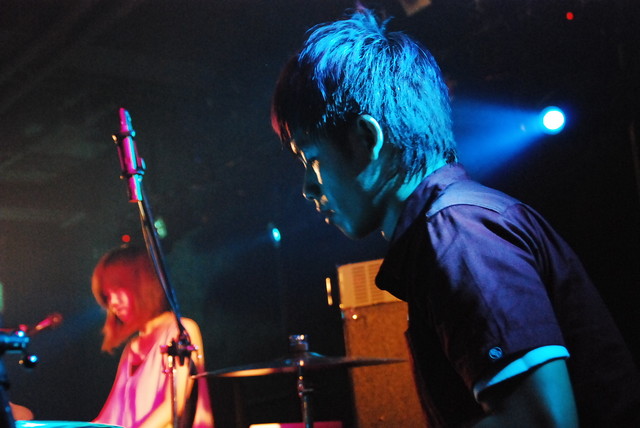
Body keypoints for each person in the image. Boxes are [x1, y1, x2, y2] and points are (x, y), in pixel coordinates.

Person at [270, 6, 640, 427]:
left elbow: (542, 422)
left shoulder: (458, 236)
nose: (308, 187)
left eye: (311, 158)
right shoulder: (455, 227)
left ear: (366, 139)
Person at [91, 245, 214, 428]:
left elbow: (173, 407)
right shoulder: (132, 349)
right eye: (108, 296)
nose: (113, 303)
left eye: (118, 290)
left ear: (143, 284)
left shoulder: (181, 331)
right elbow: (109, 417)